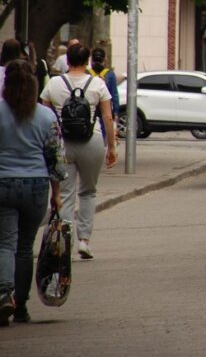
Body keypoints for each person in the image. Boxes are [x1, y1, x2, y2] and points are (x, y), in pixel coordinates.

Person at [0, 59, 66, 325]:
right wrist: (57, 193)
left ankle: (4, 294)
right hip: (36, 186)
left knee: (5, 243)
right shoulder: (46, 116)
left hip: (2, 184)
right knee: (25, 248)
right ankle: (21, 306)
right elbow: (56, 159)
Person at [41, 43, 117, 260]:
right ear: (87, 62)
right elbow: (108, 117)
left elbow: (45, 116)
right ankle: (84, 240)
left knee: (65, 194)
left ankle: (64, 241)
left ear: (68, 61)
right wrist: (111, 147)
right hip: (91, 141)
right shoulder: (98, 83)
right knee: (89, 191)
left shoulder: (54, 83)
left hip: (62, 143)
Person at [89, 48, 120, 138]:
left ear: (92, 59)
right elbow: (114, 95)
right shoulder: (110, 74)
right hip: (105, 107)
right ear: (104, 59)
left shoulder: (88, 73)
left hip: (91, 106)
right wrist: (115, 112)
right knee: (104, 131)